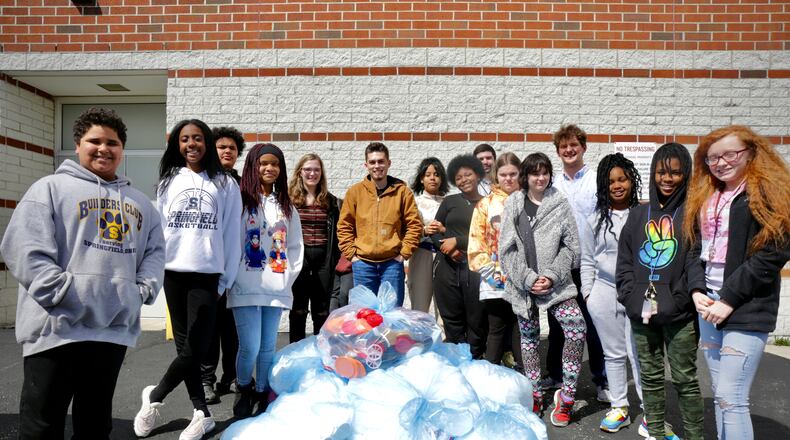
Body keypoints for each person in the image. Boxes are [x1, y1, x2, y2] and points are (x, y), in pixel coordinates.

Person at [0, 108, 165, 440]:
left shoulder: (140, 203)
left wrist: (139, 292)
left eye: (112, 143)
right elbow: (24, 248)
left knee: (95, 426)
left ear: (122, 149)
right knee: (41, 427)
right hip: (56, 328)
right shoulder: (49, 189)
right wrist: (61, 292)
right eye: (95, 141)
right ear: (78, 145)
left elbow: (155, 252)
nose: (104, 148)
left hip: (111, 331)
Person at [134, 119, 242, 440]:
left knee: (195, 347)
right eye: (184, 139)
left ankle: (155, 396)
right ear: (177, 144)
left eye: (197, 138)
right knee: (186, 347)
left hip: (208, 276)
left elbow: (232, 235)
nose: (191, 144)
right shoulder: (168, 181)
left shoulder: (225, 184)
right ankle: (202, 414)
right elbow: (161, 231)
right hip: (173, 274)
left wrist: (225, 279)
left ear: (206, 142)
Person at [684, 126, 790, 440]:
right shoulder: (708, 195)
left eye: (729, 154)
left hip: (746, 305)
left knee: (732, 397)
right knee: (721, 393)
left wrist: (728, 298)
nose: (720, 163)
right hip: (709, 304)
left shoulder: (765, 191)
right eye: (712, 158)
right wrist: (696, 289)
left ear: (751, 153)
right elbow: (694, 246)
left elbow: (774, 251)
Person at [616, 143, 704, 440]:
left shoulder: (692, 215)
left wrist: (681, 299)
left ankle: (694, 437)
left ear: (685, 175)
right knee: (650, 378)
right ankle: (654, 432)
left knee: (685, 380)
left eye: (675, 173)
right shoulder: (638, 215)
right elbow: (625, 262)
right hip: (642, 313)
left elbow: (694, 260)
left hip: (680, 316)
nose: (667, 179)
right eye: (661, 172)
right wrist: (630, 297)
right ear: (653, 173)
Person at [499, 152, 586, 427]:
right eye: (535, 173)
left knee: (576, 327)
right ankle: (534, 394)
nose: (541, 177)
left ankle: (567, 397)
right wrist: (527, 278)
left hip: (557, 285)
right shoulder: (514, 203)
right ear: (526, 176)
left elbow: (571, 248)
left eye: (545, 172)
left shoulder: (559, 203)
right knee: (529, 339)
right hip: (523, 287)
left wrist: (551, 276)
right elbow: (506, 250)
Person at [229, 143, 304, 418]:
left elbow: (295, 246)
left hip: (276, 286)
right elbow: (231, 242)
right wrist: (232, 276)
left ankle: (262, 391)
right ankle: (244, 387)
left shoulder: (286, 206)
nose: (269, 168)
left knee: (268, 346)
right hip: (245, 285)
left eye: (275, 164)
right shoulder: (240, 202)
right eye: (264, 163)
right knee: (249, 346)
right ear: (253, 166)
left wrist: (287, 277)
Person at [580, 153, 645, 433]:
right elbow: (587, 260)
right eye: (610, 182)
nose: (617, 186)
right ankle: (620, 407)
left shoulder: (644, 215)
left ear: (632, 181)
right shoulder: (594, 219)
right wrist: (589, 295)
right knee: (613, 354)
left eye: (622, 179)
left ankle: (651, 411)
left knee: (639, 353)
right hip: (604, 292)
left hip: (637, 293)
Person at [546, 124, 609, 402]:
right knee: (558, 327)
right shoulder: (552, 186)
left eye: (574, 145)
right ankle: (557, 376)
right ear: (558, 151)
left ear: (583, 147)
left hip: (591, 266)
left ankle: (602, 380)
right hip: (560, 268)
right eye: (563, 146)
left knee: (594, 326)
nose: (569, 150)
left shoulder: (597, 181)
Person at [336, 142, 422, 306]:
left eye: (381, 161)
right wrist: (352, 256)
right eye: (372, 162)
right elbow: (344, 226)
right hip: (362, 264)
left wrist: (403, 254)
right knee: (365, 314)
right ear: (366, 165)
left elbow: (414, 225)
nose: (377, 166)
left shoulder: (402, 192)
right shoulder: (355, 192)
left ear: (389, 163)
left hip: (392, 264)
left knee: (391, 313)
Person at [200, 126, 246, 404]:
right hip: (211, 265)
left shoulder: (243, 184)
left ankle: (232, 376)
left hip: (238, 264)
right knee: (210, 328)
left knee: (233, 327)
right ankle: (206, 380)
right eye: (221, 147)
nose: (227, 151)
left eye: (232, 148)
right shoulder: (205, 181)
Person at [468, 152, 522, 365]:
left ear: (520, 174)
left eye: (513, 174)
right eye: (503, 174)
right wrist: (490, 272)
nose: (508, 179)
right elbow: (476, 241)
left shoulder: (529, 200)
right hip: (495, 277)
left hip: (524, 277)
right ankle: (491, 377)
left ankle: (527, 378)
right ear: (496, 176)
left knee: (522, 329)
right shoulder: (485, 204)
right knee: (497, 329)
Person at [430, 155, 487, 358]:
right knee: (451, 318)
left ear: (478, 175)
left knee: (476, 318)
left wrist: (458, 241)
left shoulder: (487, 204)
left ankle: (476, 359)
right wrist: (448, 248)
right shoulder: (450, 201)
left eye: (467, 175)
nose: (463, 180)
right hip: (446, 267)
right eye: (458, 178)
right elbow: (434, 231)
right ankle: (457, 359)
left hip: (475, 269)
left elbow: (488, 237)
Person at [287, 153, 340, 342]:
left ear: (321, 173)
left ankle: (320, 350)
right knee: (298, 309)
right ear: (300, 172)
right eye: (308, 169)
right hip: (299, 259)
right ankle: (295, 349)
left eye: (316, 170)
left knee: (322, 311)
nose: (312, 173)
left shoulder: (331, 201)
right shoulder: (289, 200)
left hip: (324, 260)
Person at [408, 157, 449, 313]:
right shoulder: (414, 202)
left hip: (444, 255)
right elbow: (406, 231)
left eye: (437, 174)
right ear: (421, 178)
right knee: (419, 304)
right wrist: (424, 230)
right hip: (422, 253)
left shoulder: (449, 202)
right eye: (428, 174)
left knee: (445, 306)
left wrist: (443, 229)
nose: (432, 178)